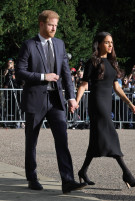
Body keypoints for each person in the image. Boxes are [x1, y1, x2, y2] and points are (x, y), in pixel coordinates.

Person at [15, 10, 86, 194]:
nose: (54, 28)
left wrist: (71, 97)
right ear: (41, 24)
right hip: (35, 100)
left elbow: (66, 74)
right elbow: (20, 71)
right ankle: (32, 177)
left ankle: (68, 181)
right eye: (50, 25)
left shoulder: (60, 44)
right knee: (32, 141)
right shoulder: (29, 45)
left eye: (56, 25)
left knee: (62, 140)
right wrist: (42, 77)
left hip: (56, 101)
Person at [75, 32, 135, 188]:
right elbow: (84, 84)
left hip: (106, 102)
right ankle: (127, 173)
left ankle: (83, 171)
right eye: (106, 42)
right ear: (98, 44)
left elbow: (117, 87)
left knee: (97, 139)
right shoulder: (93, 62)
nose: (110, 45)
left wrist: (129, 103)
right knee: (111, 134)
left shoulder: (112, 62)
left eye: (111, 42)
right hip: (97, 103)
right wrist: (76, 102)